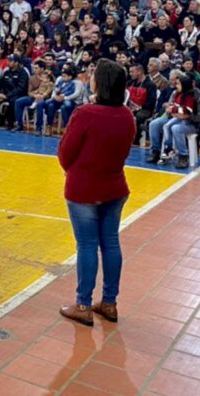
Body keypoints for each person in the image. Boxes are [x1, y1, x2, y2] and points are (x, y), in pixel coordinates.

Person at [57, 59, 135, 326]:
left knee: (87, 245)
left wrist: (75, 171)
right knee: (110, 243)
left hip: (84, 189)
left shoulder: (85, 113)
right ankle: (109, 303)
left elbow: (65, 154)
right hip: (115, 187)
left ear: (99, 83)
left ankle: (82, 304)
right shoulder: (127, 115)